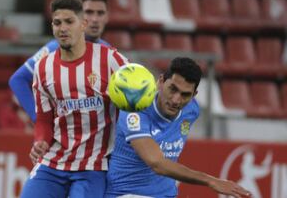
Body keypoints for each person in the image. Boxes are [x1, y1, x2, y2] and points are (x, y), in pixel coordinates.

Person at [19, 0, 128, 198]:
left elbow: (134, 103)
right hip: (53, 162)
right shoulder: (43, 67)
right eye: (57, 23)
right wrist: (40, 140)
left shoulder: (111, 60)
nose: (63, 28)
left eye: (69, 22)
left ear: (83, 25)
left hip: (94, 166)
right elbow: (44, 119)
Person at [104, 58, 252, 198]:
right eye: (172, 89)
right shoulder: (135, 109)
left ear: (194, 95)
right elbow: (157, 163)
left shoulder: (191, 110)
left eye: (185, 95)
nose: (176, 100)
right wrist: (210, 180)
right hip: (126, 193)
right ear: (161, 82)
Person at [8, 0, 109, 123]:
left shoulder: (109, 51)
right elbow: (17, 80)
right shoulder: (54, 48)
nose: (95, 19)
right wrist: (40, 121)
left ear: (107, 17)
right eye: (89, 12)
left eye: (100, 13)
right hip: (63, 137)